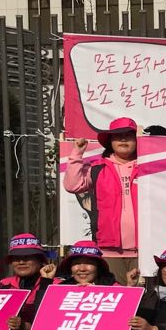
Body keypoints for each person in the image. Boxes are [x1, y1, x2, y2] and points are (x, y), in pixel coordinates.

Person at [64, 116, 141, 282]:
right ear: (110, 141)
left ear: (137, 140)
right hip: (108, 250)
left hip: (145, 249)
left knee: (145, 296)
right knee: (116, 295)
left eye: (128, 135)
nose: (123, 139)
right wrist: (77, 154)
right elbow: (72, 185)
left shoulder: (148, 166)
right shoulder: (97, 167)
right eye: (118, 135)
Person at [0, 233, 58, 330]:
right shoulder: (4, 284)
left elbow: (50, 323)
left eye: (27, 257)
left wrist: (46, 283)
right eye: (16, 258)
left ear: (40, 260)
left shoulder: (57, 285)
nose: (21, 262)